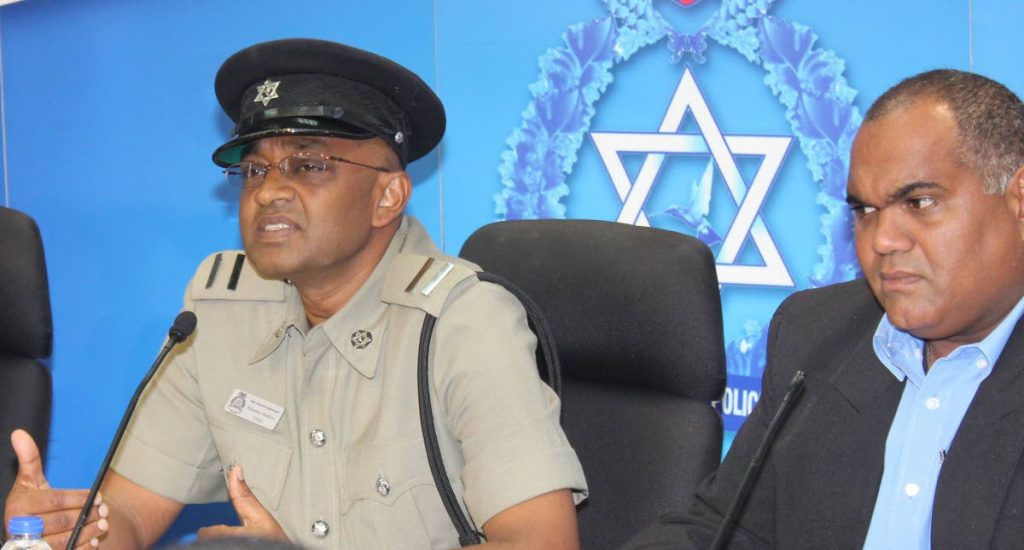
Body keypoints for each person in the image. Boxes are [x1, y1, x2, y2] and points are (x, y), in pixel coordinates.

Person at [4, 38, 587, 549]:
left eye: (307, 165)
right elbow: (129, 511)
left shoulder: (464, 322)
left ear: (388, 197)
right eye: (255, 171)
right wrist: (72, 536)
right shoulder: (217, 314)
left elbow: (541, 543)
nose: (269, 192)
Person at [625, 69, 1024, 549]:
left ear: (1018, 199)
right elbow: (722, 531)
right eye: (865, 212)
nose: (883, 241)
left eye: (919, 202)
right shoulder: (816, 334)